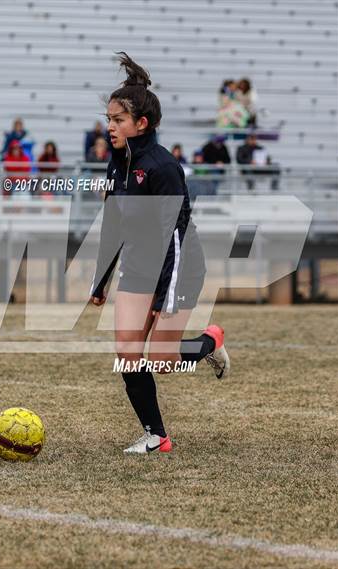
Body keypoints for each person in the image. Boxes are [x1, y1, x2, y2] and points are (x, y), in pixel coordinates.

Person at [89, 52, 230, 455]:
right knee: (127, 353)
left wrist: (163, 297)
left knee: (164, 359)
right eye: (109, 119)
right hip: (139, 265)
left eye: (118, 120)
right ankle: (157, 436)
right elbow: (114, 225)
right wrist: (100, 281)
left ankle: (209, 341)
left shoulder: (163, 167)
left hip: (179, 266)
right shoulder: (116, 164)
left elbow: (175, 239)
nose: (110, 126)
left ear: (141, 124)